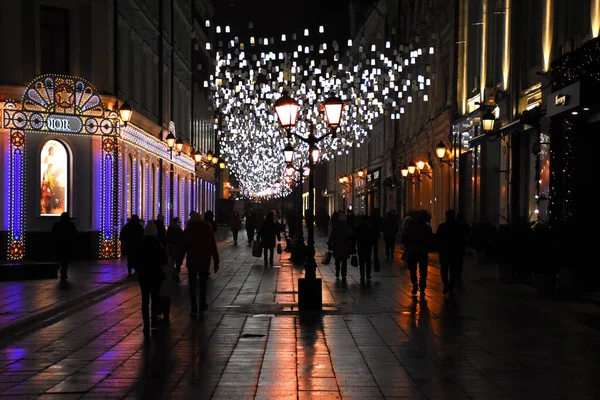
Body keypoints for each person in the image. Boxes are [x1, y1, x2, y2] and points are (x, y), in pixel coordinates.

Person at [132, 222, 167, 340]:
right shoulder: (158, 245)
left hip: (144, 276)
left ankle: (146, 323)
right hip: (156, 276)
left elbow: (134, 259)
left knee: (145, 300)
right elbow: (164, 260)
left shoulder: (140, 244)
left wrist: (138, 269)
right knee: (155, 299)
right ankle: (154, 321)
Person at [180, 212, 219, 316]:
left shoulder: (188, 231)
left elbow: (183, 247)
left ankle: (193, 308)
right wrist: (216, 261)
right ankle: (202, 304)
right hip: (204, 260)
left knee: (192, 285)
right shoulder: (207, 230)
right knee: (202, 284)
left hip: (192, 260)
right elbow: (212, 246)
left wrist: (178, 261)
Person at [436, 209, 469, 295]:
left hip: (445, 252)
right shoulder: (459, 227)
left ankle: (446, 284)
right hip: (455, 252)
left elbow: (437, 239)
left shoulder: (442, 227)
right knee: (454, 271)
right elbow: (463, 238)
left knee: (444, 270)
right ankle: (450, 287)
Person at [402, 212, 434, 296]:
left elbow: (405, 237)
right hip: (423, 252)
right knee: (423, 270)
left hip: (412, 251)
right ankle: (422, 287)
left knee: (412, 270)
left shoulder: (411, 227)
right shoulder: (427, 228)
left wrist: (407, 247)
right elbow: (431, 240)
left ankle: (415, 284)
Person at [328, 213, 354, 281]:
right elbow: (351, 237)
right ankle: (343, 273)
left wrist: (330, 243)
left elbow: (332, 237)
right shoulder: (348, 227)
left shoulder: (336, 227)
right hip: (345, 247)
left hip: (337, 247)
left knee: (337, 260)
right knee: (344, 261)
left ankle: (337, 271)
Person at [51, 212, 77, 281]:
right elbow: (74, 233)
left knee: (61, 259)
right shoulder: (70, 225)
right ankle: (64, 272)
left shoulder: (57, 224)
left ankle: (62, 271)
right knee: (66, 260)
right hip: (68, 245)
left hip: (59, 245)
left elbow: (53, 233)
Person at [354, 215, 373, 282]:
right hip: (368, 246)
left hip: (360, 246)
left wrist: (353, 246)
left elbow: (355, 237)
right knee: (368, 261)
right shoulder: (369, 227)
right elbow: (372, 237)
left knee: (361, 261)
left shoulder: (358, 227)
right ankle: (368, 275)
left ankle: (362, 275)